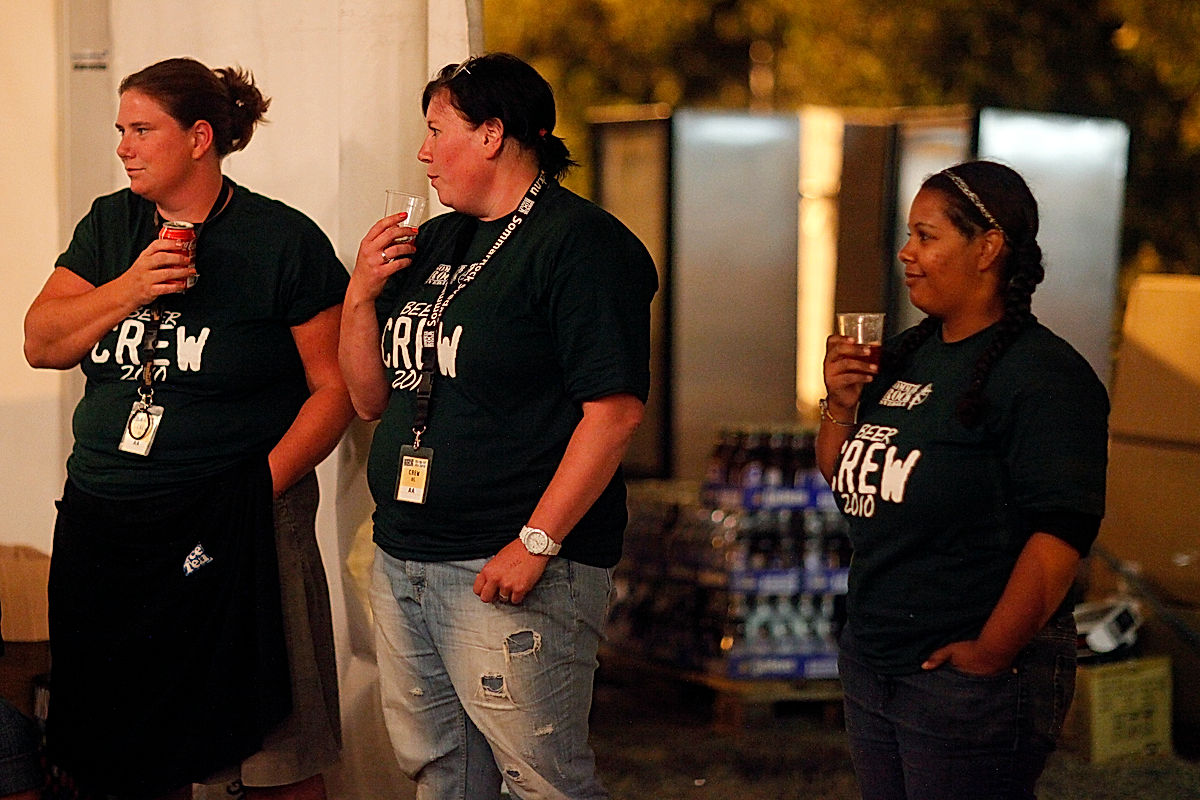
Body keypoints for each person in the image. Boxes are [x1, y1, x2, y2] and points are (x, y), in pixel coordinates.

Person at [23, 57, 353, 800]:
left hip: (233, 522)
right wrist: (129, 288)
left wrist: (252, 493)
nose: (124, 147)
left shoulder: (280, 240)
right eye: (120, 130)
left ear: (200, 137)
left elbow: (335, 390)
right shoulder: (113, 225)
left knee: (273, 750)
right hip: (111, 526)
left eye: (142, 130)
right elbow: (42, 342)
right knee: (127, 746)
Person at [338, 52, 657, 799]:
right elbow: (369, 399)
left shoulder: (581, 243)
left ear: (492, 133)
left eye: (435, 129)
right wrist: (360, 295)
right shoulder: (441, 241)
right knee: (443, 773)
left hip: (506, 566)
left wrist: (536, 543)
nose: (422, 151)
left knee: (541, 781)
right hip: (406, 554)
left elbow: (613, 414)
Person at [816, 160, 1109, 800]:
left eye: (926, 236)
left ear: (989, 248)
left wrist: (988, 656)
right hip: (877, 658)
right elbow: (852, 479)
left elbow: (1060, 535)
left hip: (968, 676)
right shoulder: (906, 354)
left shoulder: (1044, 376)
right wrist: (839, 405)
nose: (906, 253)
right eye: (909, 236)